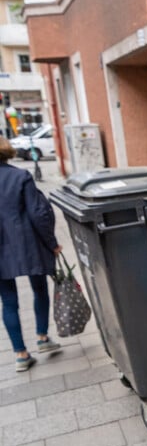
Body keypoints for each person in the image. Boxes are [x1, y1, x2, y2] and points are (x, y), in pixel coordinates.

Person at [0, 136, 61, 372]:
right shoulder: (20, 176)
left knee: (8, 302)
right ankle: (43, 338)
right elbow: (38, 213)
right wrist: (52, 243)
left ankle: (21, 354)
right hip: (27, 244)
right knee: (39, 289)